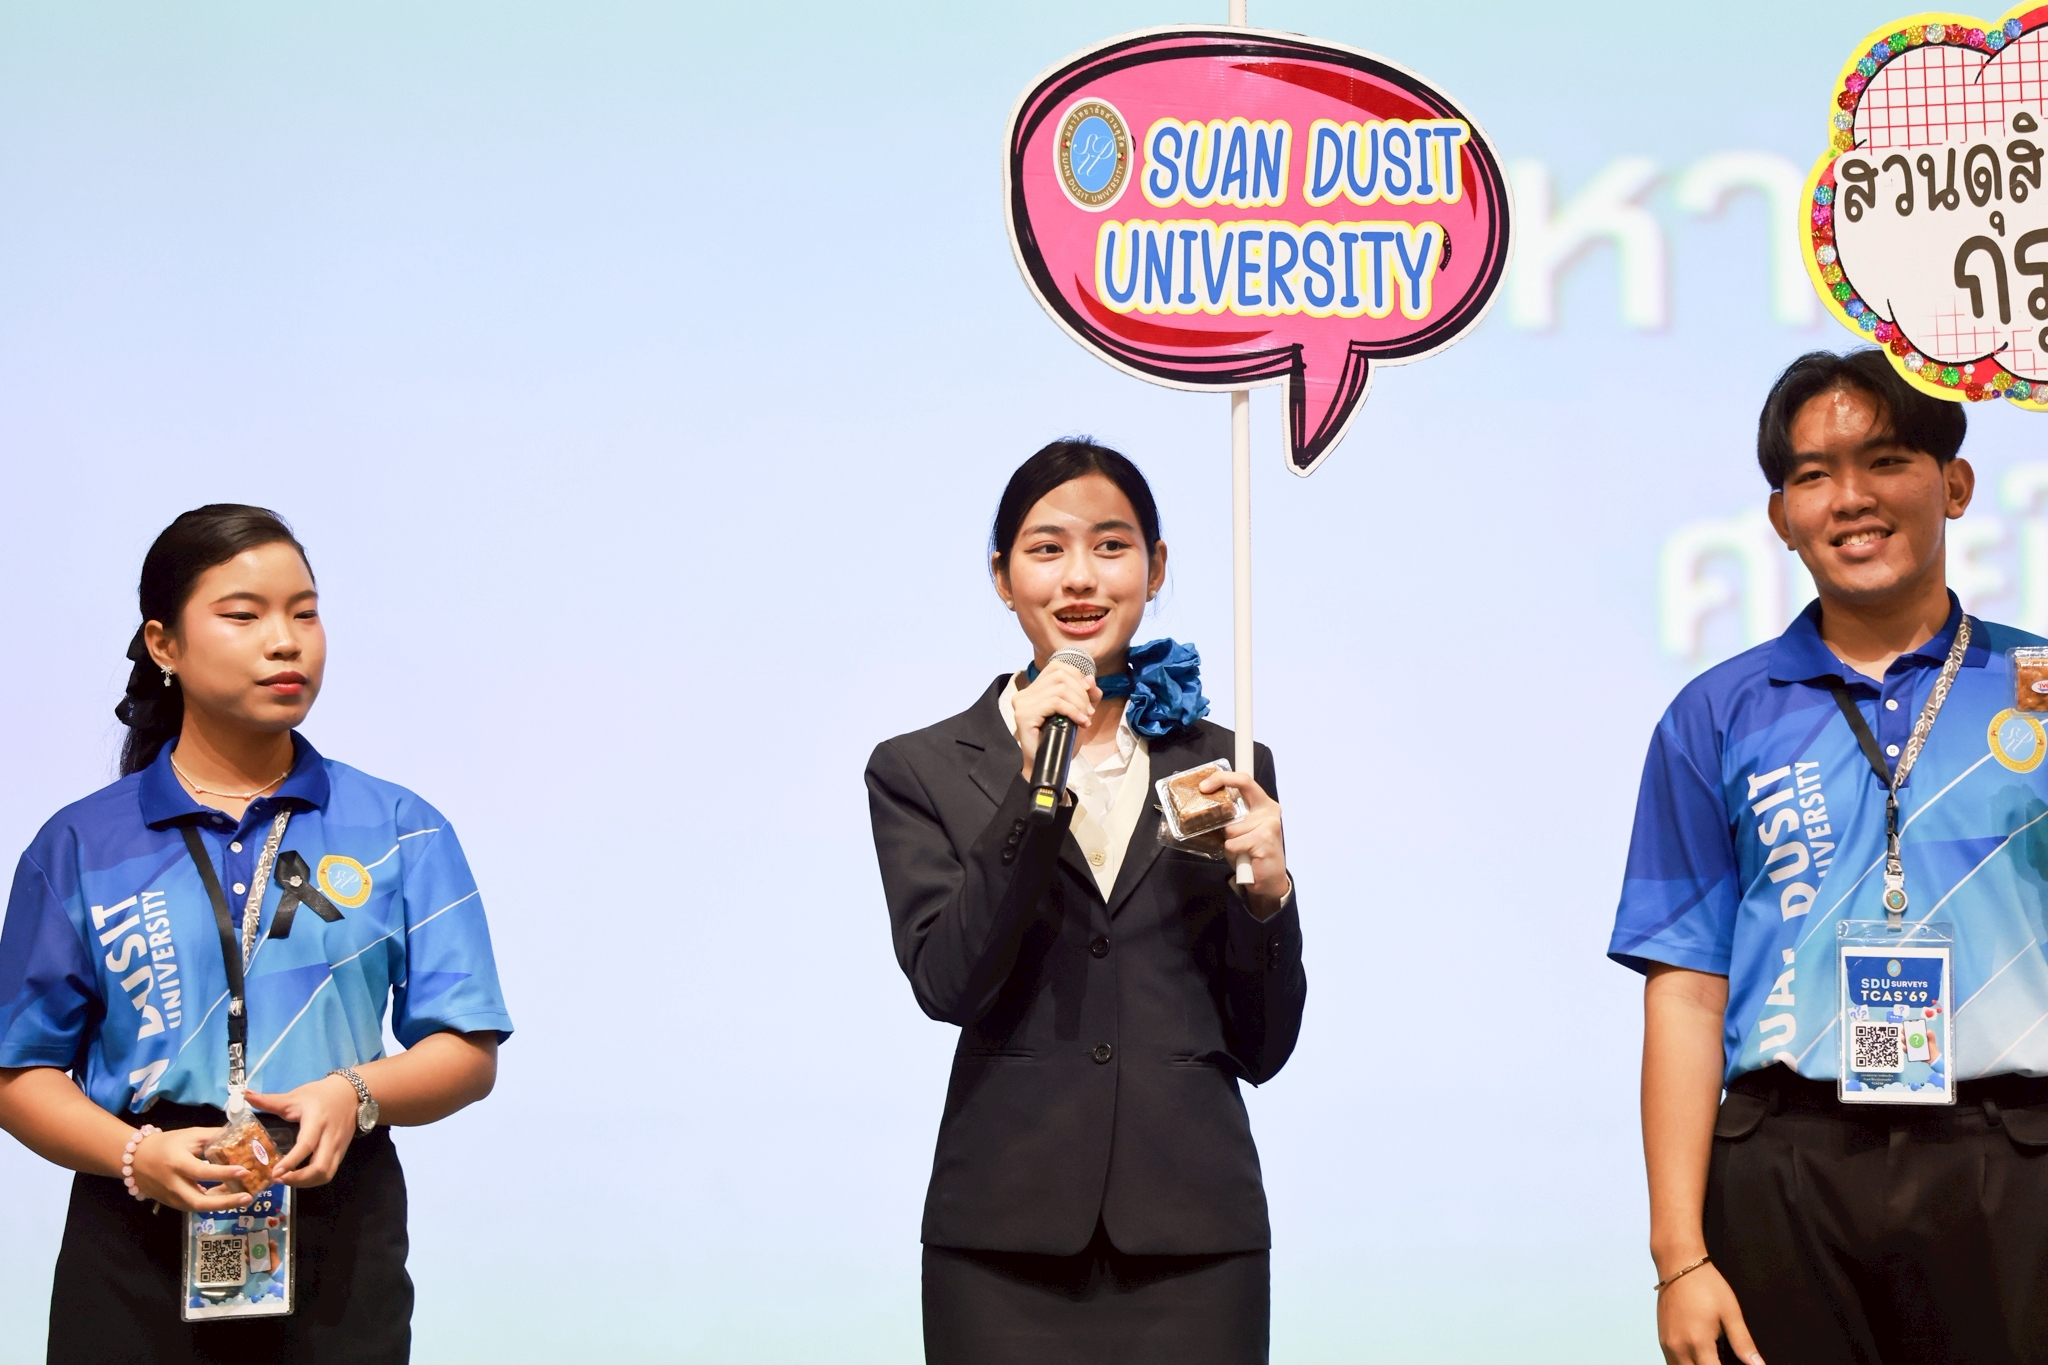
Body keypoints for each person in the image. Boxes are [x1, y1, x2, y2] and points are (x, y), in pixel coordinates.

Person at [1611, 350, 2048, 1365]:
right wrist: (1679, 1257)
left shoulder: (2035, 686)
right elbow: (1686, 992)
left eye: (1885, 460)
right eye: (1813, 475)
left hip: (2013, 1160)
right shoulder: (1715, 714)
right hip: (1784, 1166)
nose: (1850, 498)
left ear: (1953, 484)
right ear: (1780, 517)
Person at [0, 504, 513, 1364]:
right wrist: (134, 1154)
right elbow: (19, 1071)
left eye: (305, 613)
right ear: (163, 644)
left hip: (337, 1225)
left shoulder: (400, 827)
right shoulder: (81, 844)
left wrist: (354, 1092)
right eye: (244, 615)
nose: (286, 641)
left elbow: (467, 1048)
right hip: (135, 1228)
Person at [865, 439, 1305, 1364]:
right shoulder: (921, 768)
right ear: (1001, 575)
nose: (1079, 577)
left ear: (1156, 566)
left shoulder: (1227, 762)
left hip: (1196, 1242)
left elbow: (1263, 1046)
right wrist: (1034, 791)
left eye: (1111, 545)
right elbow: (950, 981)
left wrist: (1270, 902)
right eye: (1046, 548)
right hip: (1003, 1244)